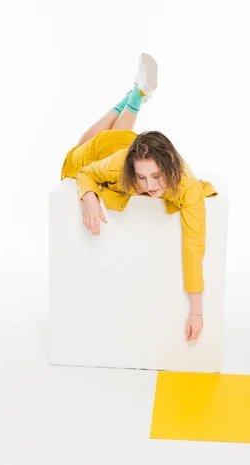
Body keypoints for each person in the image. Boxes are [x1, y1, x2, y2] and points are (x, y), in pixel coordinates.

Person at [60, 53, 219, 342]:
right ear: (133, 166)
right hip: (112, 150)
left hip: (124, 144)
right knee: (80, 148)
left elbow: (194, 245)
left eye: (157, 176)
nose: (149, 186)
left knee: (101, 137)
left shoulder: (188, 185)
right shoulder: (123, 163)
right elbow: (85, 172)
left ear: (170, 164)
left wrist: (196, 311)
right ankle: (133, 96)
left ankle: (133, 97)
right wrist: (89, 196)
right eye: (142, 177)